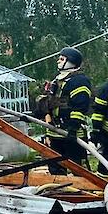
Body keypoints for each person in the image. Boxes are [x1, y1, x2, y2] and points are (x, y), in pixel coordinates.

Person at [33, 47, 92, 175]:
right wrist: (47, 118)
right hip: (54, 133)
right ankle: (59, 192)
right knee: (55, 168)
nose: (58, 61)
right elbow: (49, 103)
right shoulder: (57, 81)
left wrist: (73, 129)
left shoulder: (79, 81)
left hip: (73, 134)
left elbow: (80, 107)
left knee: (78, 169)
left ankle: (84, 191)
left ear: (71, 61)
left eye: (62, 59)